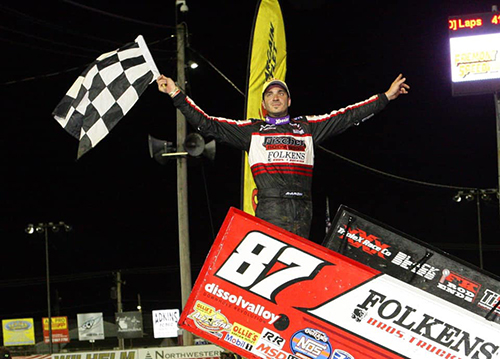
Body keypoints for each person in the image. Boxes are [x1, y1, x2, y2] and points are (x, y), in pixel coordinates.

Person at [157, 74, 409, 238]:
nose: (275, 97)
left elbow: (346, 116)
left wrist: (384, 97)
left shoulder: (308, 126)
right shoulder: (252, 131)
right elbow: (207, 123)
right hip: (271, 206)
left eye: (280, 94)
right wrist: (176, 94)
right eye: (270, 95)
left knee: (298, 268)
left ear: (289, 99)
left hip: (304, 207)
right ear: (264, 104)